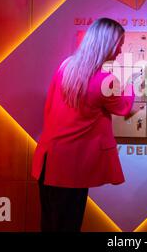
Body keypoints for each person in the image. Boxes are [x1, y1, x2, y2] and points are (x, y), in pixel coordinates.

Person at [31, 18, 137, 232]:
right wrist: (132, 84)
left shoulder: (66, 66)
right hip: (74, 167)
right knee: (69, 225)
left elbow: (50, 106)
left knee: (50, 224)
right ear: (108, 44)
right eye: (120, 44)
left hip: (49, 160)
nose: (120, 51)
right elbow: (123, 108)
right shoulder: (105, 81)